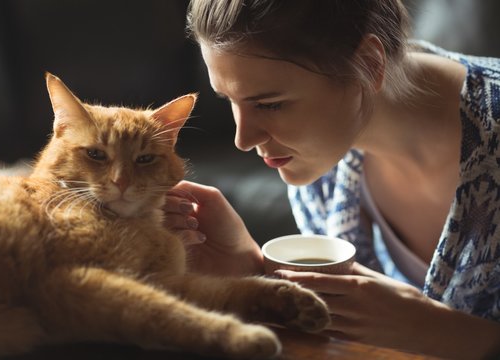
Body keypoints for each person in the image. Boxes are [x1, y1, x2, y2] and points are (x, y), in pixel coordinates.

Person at [164, 0, 500, 358]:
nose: (243, 139)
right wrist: (253, 273)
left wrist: (447, 333)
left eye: (270, 104)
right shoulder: (322, 156)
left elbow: (425, 325)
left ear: (370, 64)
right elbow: (384, 321)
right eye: (230, 100)